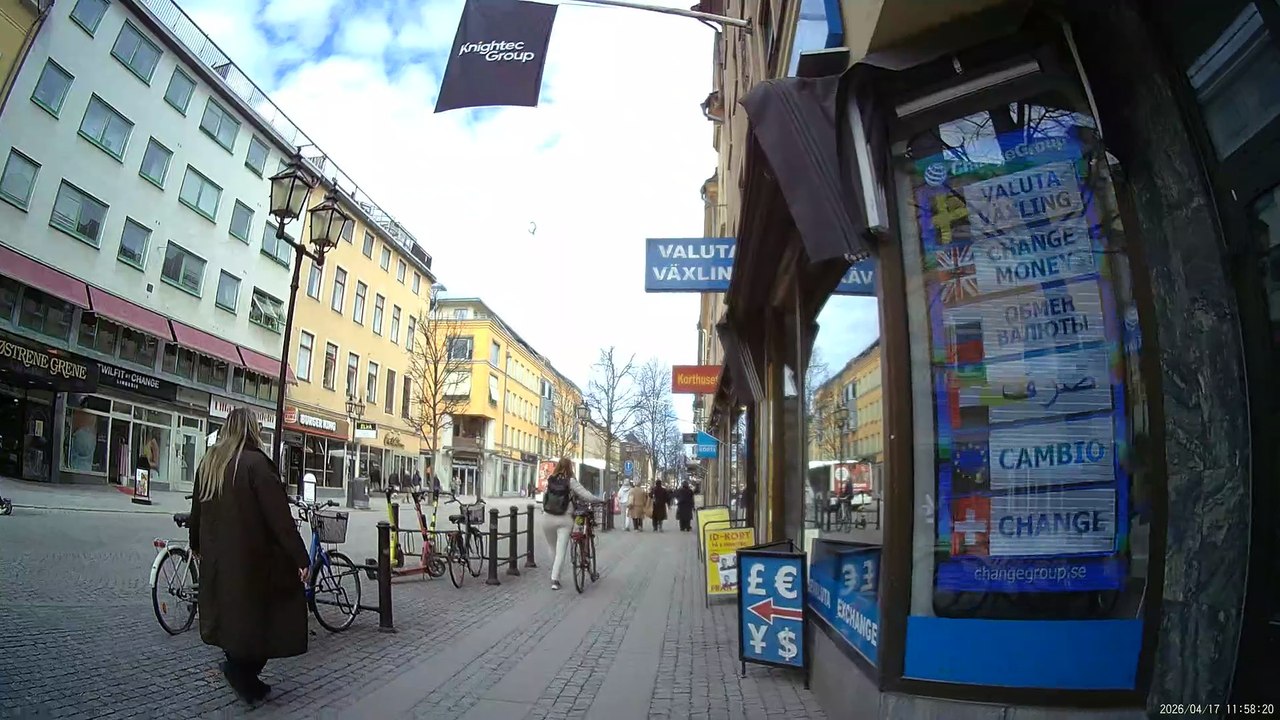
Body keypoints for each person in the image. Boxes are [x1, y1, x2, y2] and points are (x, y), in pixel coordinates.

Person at [187, 407, 309, 704]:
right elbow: (280, 519)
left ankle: (245, 676)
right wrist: (300, 558)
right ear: (253, 430)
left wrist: (196, 545)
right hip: (252, 560)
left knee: (233, 618)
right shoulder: (256, 464)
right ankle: (241, 672)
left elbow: (197, 513)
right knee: (269, 618)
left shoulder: (211, 463)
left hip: (219, 559)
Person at [541, 457, 605, 591]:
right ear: (570, 467)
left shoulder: (551, 480)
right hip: (564, 519)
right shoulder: (571, 481)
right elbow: (586, 495)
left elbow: (545, 498)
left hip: (547, 518)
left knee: (552, 548)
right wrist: (599, 500)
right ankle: (555, 579)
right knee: (561, 551)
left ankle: (554, 571)